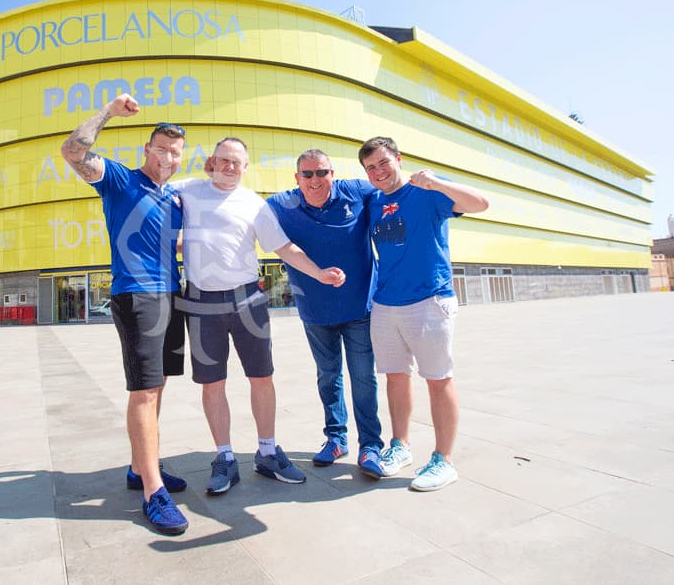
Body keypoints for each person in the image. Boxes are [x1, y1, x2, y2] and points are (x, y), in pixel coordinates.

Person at [176, 137, 346, 496]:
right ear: (211, 161)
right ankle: (224, 458)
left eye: (237, 162)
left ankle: (267, 452)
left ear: (246, 166)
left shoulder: (254, 204)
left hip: (247, 300)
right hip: (201, 302)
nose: (230, 167)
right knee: (212, 383)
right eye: (223, 160)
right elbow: (152, 189)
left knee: (262, 377)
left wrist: (318, 273)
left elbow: (284, 248)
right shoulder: (188, 191)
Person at [60, 94, 189, 535]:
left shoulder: (173, 198)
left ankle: (140, 468)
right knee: (145, 391)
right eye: (161, 148)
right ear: (146, 151)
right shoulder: (120, 178)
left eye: (176, 152)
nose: (168, 157)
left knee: (159, 385)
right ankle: (154, 492)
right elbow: (72, 152)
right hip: (137, 297)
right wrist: (108, 113)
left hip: (173, 295)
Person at [358, 136, 489, 492]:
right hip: (385, 304)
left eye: (384, 162)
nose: (379, 172)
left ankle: (444, 460)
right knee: (395, 377)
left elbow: (482, 203)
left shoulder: (426, 192)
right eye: (371, 168)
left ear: (399, 158)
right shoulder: (373, 202)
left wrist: (436, 182)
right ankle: (399, 446)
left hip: (429, 300)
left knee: (438, 378)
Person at [266, 149, 386, 479]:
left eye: (322, 173)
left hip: (360, 307)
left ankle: (371, 446)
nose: (315, 180)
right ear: (297, 178)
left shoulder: (358, 192)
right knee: (328, 376)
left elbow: (396, 195)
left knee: (364, 377)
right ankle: (336, 438)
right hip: (316, 312)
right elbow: (241, 221)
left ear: (333, 173)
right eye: (308, 174)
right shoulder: (280, 205)